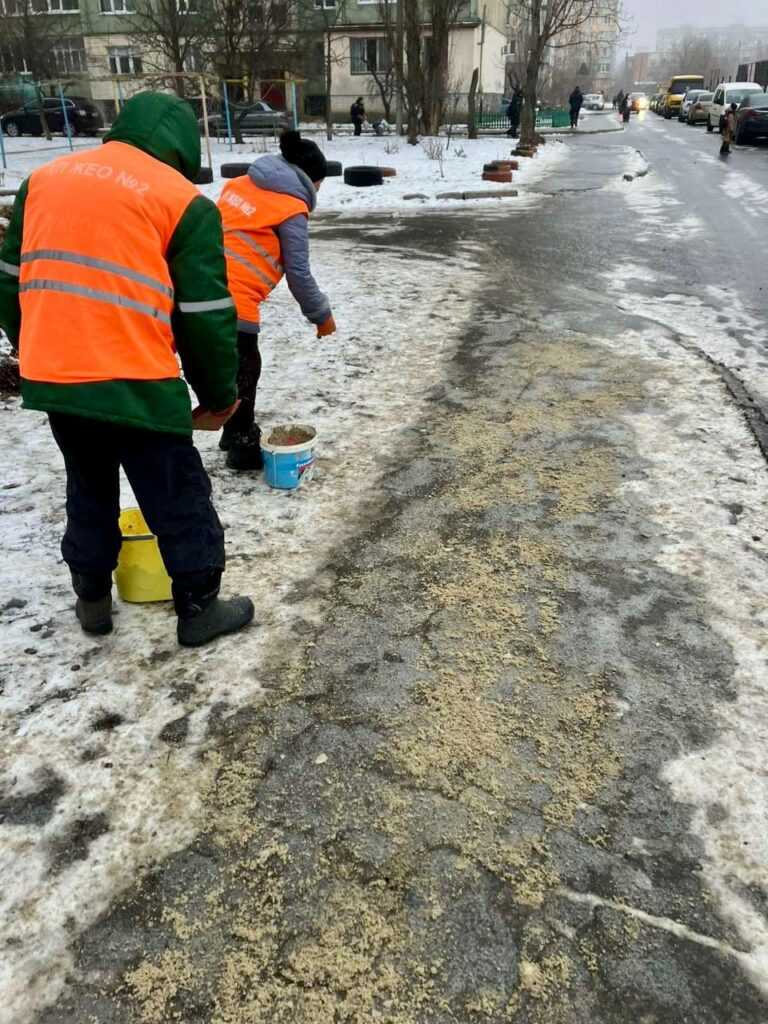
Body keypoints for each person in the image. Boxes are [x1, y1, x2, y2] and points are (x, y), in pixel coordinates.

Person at [0, 92, 254, 646]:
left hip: (61, 378)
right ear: (182, 151)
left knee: (88, 485)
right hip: (138, 380)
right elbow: (205, 314)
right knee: (176, 493)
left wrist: (39, 347)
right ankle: (198, 608)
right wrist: (218, 395)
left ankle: (92, 599)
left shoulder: (41, 181)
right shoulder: (182, 202)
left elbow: (6, 277)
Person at [216, 130, 336, 470]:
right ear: (310, 180)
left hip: (197, 286)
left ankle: (232, 428)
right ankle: (241, 441)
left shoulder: (238, 185)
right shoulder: (291, 208)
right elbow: (298, 272)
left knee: (223, 364)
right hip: (235, 296)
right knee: (245, 366)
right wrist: (321, 314)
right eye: (320, 184)